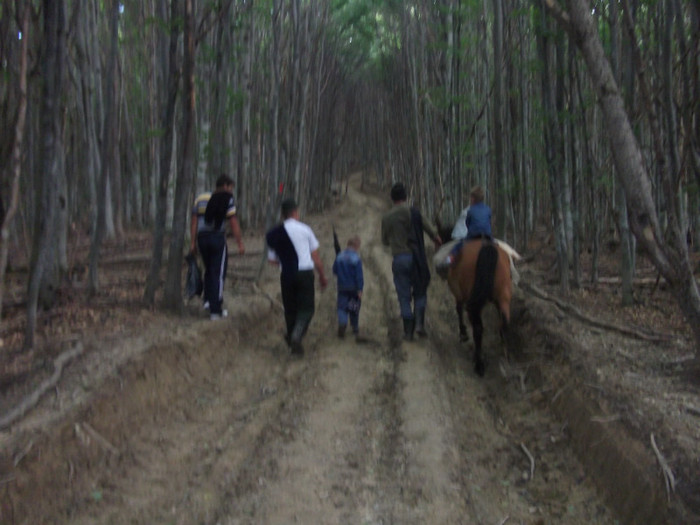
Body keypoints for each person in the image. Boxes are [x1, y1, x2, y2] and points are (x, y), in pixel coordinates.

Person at [266, 198, 328, 356]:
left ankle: (293, 340)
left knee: (290, 308)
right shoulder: (305, 229)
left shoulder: (275, 232)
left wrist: (285, 259)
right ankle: (297, 335)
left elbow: (272, 260)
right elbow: (316, 257)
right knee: (307, 308)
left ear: (283, 215)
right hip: (304, 272)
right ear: (294, 212)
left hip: (286, 273)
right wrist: (322, 275)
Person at [381, 182, 441, 340]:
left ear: (392, 198)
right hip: (417, 258)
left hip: (399, 259)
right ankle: (420, 323)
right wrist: (437, 239)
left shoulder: (387, 217)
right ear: (405, 196)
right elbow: (431, 231)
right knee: (420, 290)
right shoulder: (414, 212)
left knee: (403, 295)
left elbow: (385, 241)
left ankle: (408, 331)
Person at [189, 174, 245, 320]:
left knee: (209, 270)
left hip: (202, 239)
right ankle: (216, 310)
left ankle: (208, 301)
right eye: (231, 187)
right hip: (217, 238)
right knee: (218, 273)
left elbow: (194, 221)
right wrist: (240, 243)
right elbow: (233, 221)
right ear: (225, 186)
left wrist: (192, 242)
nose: (231, 190)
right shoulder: (227, 199)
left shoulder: (200, 198)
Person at [438, 185, 492, 272]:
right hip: (487, 236)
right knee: (497, 246)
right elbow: (489, 222)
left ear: (473, 199)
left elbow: (467, 224)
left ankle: (447, 262)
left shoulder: (470, 210)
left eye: (471, 197)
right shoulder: (488, 209)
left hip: (473, 236)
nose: (470, 199)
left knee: (456, 248)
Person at [332, 235, 364, 339]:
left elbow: (334, 270)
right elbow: (359, 276)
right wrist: (360, 289)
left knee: (342, 307)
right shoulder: (356, 258)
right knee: (354, 307)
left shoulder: (339, 256)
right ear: (356, 246)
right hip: (353, 287)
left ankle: (342, 322)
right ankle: (355, 327)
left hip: (342, 287)